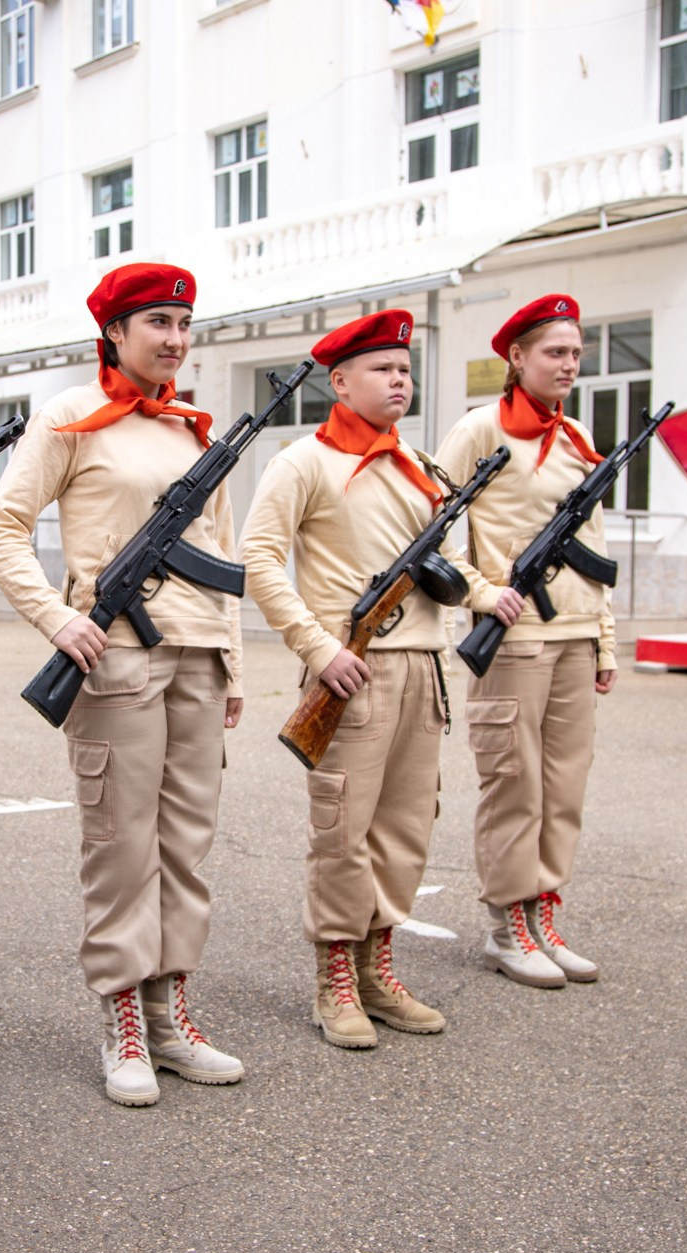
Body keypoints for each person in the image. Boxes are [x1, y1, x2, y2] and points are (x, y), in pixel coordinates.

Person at [0, 263, 244, 1108]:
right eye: (157, 322)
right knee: (122, 845)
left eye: (182, 323)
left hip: (196, 653)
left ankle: (172, 1013)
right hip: (116, 660)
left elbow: (226, 551)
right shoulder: (69, 416)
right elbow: (4, 527)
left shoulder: (194, 428)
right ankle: (124, 1016)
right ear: (116, 332)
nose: (173, 338)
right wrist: (57, 620)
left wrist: (231, 659)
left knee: (186, 845)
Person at [241, 309, 473, 1048]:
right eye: (383, 368)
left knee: (405, 827)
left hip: (423, 669)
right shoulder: (303, 462)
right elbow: (259, 558)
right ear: (339, 381)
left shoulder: (425, 469)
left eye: (405, 368)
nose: (400, 379)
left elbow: (454, 568)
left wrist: (475, 587)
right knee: (343, 828)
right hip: (351, 671)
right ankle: (334, 977)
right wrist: (316, 647)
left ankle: (378, 968)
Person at [435, 294, 615, 989]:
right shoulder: (480, 431)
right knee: (515, 783)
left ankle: (543, 912)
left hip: (572, 632)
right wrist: (480, 592)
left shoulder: (575, 438)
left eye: (575, 352)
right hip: (512, 638)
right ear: (516, 357)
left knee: (563, 786)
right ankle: (507, 924)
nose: (569, 364)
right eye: (554, 352)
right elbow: (441, 524)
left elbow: (593, 545)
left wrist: (605, 641)